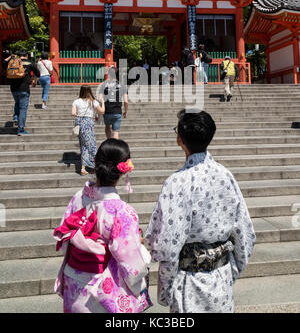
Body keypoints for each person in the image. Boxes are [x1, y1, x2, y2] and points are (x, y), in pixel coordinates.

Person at [145, 109, 256, 313]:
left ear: (180, 139)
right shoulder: (226, 176)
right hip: (221, 277)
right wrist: (232, 270)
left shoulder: (176, 183)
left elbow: (167, 244)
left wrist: (165, 290)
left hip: (188, 282)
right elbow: (244, 232)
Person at [53, 139, 152, 313]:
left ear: (96, 163)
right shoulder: (122, 211)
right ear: (123, 172)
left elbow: (65, 239)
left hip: (73, 283)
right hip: (101, 289)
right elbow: (131, 262)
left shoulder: (78, 198)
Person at [4, 50, 40, 136]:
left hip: (13, 89)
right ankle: (20, 129)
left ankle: (16, 117)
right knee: (23, 109)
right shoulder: (29, 63)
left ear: (18, 56)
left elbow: (3, 63)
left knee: (17, 102)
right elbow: (38, 73)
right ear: (26, 56)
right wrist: (34, 81)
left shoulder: (12, 62)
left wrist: (10, 57)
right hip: (24, 89)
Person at [72, 86, 104, 176]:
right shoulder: (93, 102)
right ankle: (98, 166)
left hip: (79, 123)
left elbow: (73, 113)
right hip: (88, 124)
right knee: (92, 145)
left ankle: (83, 168)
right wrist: (103, 103)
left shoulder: (76, 101)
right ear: (89, 91)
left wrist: (78, 114)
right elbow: (102, 111)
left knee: (84, 146)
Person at [97, 67, 128, 140]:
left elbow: (99, 99)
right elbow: (126, 101)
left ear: (109, 75)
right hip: (117, 111)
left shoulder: (104, 85)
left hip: (107, 111)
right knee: (116, 131)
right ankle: (114, 146)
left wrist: (101, 109)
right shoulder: (123, 86)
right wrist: (125, 111)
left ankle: (109, 141)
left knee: (107, 127)